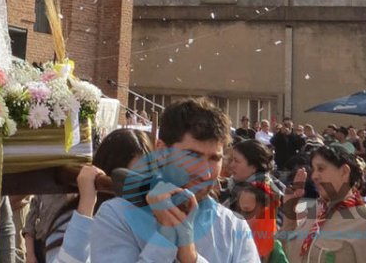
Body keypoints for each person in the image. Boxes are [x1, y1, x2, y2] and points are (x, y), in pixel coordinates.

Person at [90, 98, 260, 263]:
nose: (206, 174)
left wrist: (191, 258)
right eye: (193, 155)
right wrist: (165, 240)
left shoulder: (233, 227)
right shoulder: (117, 216)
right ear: (162, 152)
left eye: (214, 159)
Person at [25, 129, 152, 263]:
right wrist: (86, 206)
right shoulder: (71, 220)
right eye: (130, 181)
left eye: (146, 180)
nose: (140, 191)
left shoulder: (152, 220)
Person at [278, 145, 366, 262]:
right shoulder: (315, 213)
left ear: (344, 172)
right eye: (314, 169)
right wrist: (289, 215)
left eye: (321, 168)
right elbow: (283, 256)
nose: (314, 176)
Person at [222, 140, 284, 259]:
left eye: (237, 161)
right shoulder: (235, 187)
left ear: (254, 167)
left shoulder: (264, 192)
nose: (232, 165)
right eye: (231, 160)